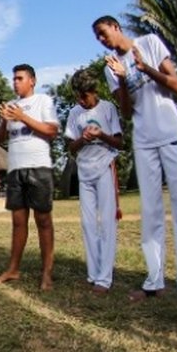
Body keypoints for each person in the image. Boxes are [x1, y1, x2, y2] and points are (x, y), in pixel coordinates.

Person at [93, 15, 177, 306]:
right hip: (144, 139)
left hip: (170, 131)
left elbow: (175, 85)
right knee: (150, 212)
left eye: (103, 33)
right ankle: (155, 281)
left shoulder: (149, 43)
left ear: (116, 27)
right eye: (97, 38)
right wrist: (124, 79)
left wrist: (144, 68)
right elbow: (126, 112)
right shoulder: (110, 68)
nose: (102, 40)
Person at [0, 64, 59, 291]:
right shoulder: (10, 106)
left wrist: (22, 116)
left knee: (43, 221)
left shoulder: (43, 101)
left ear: (32, 80)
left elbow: (51, 131)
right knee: (18, 222)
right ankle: (13, 269)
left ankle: (46, 273)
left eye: (20, 78)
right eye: (13, 79)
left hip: (39, 166)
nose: (15, 82)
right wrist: (4, 120)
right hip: (15, 168)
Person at [64, 67, 123, 294]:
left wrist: (100, 135)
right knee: (88, 224)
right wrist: (83, 138)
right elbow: (71, 147)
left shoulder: (108, 109)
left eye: (85, 96)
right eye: (78, 97)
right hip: (85, 171)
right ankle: (93, 272)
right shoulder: (73, 113)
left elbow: (119, 142)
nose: (82, 100)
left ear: (94, 90)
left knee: (107, 223)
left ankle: (105, 278)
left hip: (105, 167)